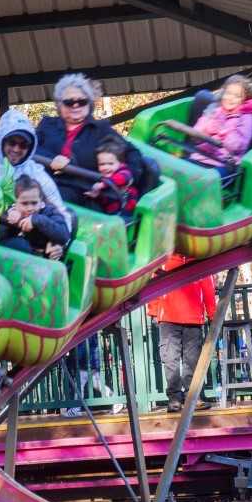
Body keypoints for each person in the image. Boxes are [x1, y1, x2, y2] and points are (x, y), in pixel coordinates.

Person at [37, 72, 150, 205]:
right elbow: (28, 147)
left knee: (46, 200)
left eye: (82, 101)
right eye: (69, 102)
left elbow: (132, 153)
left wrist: (129, 178)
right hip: (40, 182)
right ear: (59, 104)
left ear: (89, 104)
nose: (75, 105)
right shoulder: (47, 125)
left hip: (80, 191)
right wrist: (52, 158)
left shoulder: (101, 129)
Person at [147, 254, 217, 413]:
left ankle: (193, 397)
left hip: (193, 319)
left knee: (192, 361)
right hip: (168, 319)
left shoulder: (201, 262)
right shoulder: (163, 262)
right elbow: (154, 286)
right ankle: (174, 399)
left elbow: (208, 289)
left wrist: (213, 314)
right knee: (170, 359)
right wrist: (154, 312)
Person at [0, 108, 72, 222]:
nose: (16, 149)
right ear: (1, 140)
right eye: (11, 143)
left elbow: (61, 212)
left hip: (18, 233)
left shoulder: (36, 172)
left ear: (30, 147)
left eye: (23, 145)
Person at [190, 74, 252, 174]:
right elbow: (196, 134)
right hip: (203, 156)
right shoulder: (214, 108)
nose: (230, 98)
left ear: (244, 99)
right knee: (182, 171)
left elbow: (238, 145)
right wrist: (206, 129)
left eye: (237, 96)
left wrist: (223, 133)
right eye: (228, 93)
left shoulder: (246, 117)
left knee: (206, 180)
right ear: (223, 92)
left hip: (225, 163)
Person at [0, 176, 69, 259]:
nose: (30, 209)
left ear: (41, 200)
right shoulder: (8, 212)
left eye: (34, 203)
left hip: (42, 259)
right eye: (24, 203)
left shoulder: (49, 212)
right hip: (13, 260)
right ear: (15, 201)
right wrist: (9, 214)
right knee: (21, 245)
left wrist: (38, 220)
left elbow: (63, 235)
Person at [85, 136, 138, 220]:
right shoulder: (102, 178)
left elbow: (124, 178)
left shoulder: (124, 171)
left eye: (110, 164)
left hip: (126, 215)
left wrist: (101, 185)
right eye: (102, 164)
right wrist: (96, 195)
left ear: (120, 163)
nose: (106, 167)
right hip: (111, 216)